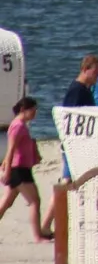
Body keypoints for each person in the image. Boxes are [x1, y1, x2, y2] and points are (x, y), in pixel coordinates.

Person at [1, 97, 50, 243]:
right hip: (19, 170)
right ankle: (37, 237)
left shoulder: (22, 125)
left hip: (20, 168)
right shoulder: (18, 126)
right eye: (33, 110)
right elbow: (11, 150)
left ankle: (38, 235)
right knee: (35, 201)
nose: (35, 113)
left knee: (6, 202)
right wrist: (7, 170)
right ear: (23, 109)